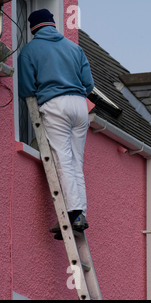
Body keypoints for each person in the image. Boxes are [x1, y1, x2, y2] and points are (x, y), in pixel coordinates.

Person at [18, 9, 94, 239]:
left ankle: (72, 214)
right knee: (76, 160)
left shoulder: (30, 50)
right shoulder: (74, 48)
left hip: (55, 105)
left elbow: (26, 90)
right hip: (80, 106)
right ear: (52, 24)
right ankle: (79, 214)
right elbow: (88, 84)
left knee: (62, 159)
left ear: (33, 29)